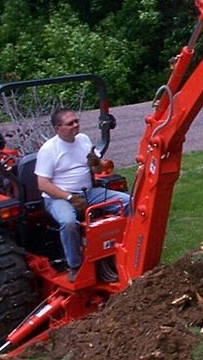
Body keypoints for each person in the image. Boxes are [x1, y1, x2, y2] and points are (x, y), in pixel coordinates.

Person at [34, 108, 131, 282]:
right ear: (58, 128)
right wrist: (70, 198)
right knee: (69, 222)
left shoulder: (84, 140)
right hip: (59, 197)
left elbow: (98, 169)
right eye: (70, 123)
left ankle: (130, 247)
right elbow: (43, 184)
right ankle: (75, 265)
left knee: (127, 202)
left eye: (76, 121)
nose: (75, 125)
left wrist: (96, 164)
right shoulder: (49, 149)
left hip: (88, 192)